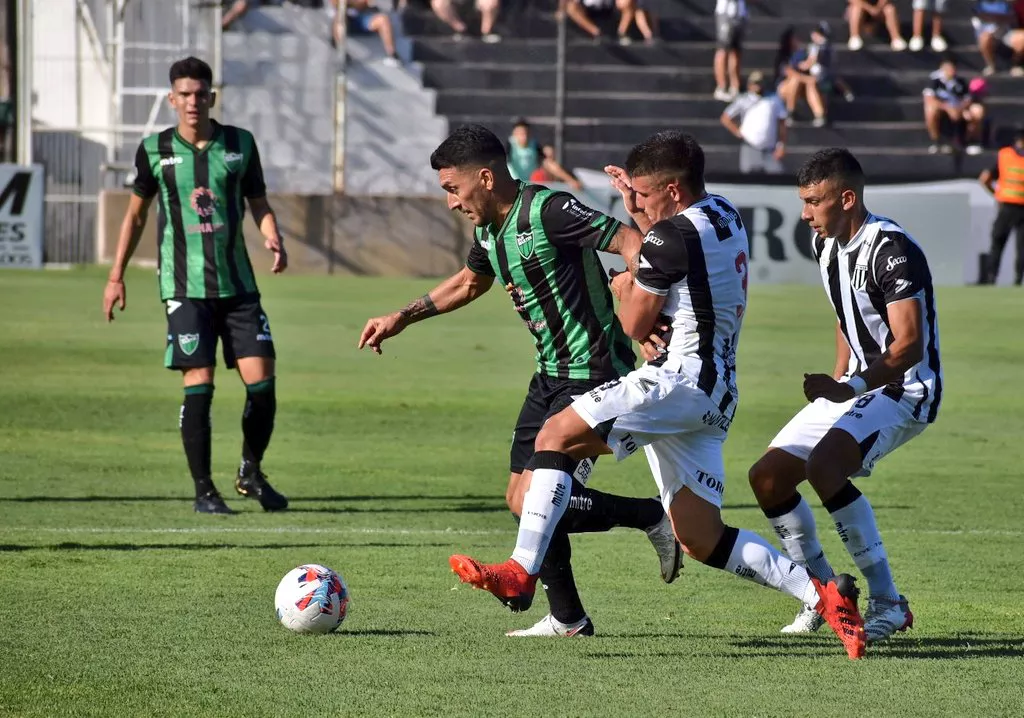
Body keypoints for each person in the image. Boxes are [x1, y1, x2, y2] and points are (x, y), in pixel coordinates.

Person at [447, 131, 867, 660]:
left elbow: (633, 323)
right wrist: (642, 228)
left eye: (642, 194)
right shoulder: (723, 213)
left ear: (671, 189)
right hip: (716, 393)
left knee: (557, 434)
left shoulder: (669, 238)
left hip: (677, 380)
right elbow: (670, 257)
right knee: (700, 535)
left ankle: (521, 572)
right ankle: (825, 597)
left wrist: (625, 286)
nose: (635, 202)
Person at [357, 124, 682, 637]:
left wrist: (639, 308)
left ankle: (650, 516)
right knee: (519, 500)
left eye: (453, 189)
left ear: (485, 178)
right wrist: (402, 316)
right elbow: (469, 282)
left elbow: (628, 240)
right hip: (547, 377)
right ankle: (569, 618)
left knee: (541, 497)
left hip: (594, 373)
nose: (450, 203)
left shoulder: (550, 210)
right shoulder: (488, 228)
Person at [747, 148, 943, 644]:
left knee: (825, 466)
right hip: (855, 387)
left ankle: (888, 602)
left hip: (906, 388)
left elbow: (908, 344)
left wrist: (848, 387)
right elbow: (845, 313)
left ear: (847, 197)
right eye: (803, 201)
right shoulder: (827, 245)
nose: (805, 213)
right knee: (767, 478)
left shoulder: (892, 248)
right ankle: (824, 593)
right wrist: (835, 389)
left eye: (814, 202)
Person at [102, 57, 289, 515]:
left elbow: (259, 202)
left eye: (200, 93)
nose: (192, 101)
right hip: (184, 289)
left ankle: (250, 470)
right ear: (172, 99)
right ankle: (204, 490)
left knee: (262, 384)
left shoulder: (239, 144)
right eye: (183, 94)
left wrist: (271, 233)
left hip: (239, 286)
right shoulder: (153, 150)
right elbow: (135, 215)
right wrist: (115, 276)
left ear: (212, 97)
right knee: (199, 383)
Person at [979, 126, 1024, 284]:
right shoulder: (1004, 155)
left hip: (1006, 206)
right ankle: (1017, 280)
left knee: (998, 242)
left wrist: (997, 193)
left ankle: (992, 277)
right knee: (1019, 247)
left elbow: (984, 179)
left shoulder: (1005, 155)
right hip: (1014, 208)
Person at [720, 70, 788, 175]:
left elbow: (782, 123)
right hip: (750, 145)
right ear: (750, 84)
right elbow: (725, 117)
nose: (758, 86)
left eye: (760, 83)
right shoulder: (743, 99)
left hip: (770, 149)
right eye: (755, 83)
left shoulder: (774, 99)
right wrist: (737, 131)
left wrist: (781, 145)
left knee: (777, 176)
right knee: (748, 178)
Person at [922, 57, 984, 155]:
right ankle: (937, 142)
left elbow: (968, 99)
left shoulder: (960, 82)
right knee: (930, 110)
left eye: (952, 68)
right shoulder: (934, 82)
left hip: (959, 109)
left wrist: (960, 109)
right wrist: (947, 108)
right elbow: (929, 99)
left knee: (977, 110)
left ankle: (971, 142)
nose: (950, 71)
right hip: (942, 110)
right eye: (947, 68)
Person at [506, 119, 582, 190]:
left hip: (528, 187)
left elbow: (549, 164)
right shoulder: (509, 145)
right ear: (514, 133)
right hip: (512, 186)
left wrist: (570, 180)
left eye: (526, 133)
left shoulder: (534, 146)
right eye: (520, 133)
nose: (524, 137)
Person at [328, 0, 401, 66]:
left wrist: (352, 3)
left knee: (383, 19)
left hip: (360, 18)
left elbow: (365, 3)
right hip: (343, 19)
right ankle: (341, 50)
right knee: (339, 17)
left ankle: (392, 55)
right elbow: (336, 3)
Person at [972, 0, 1024, 76]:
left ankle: (1016, 65)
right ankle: (991, 66)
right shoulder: (981, 4)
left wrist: (995, 18)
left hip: (1005, 32)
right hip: (988, 33)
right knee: (984, 38)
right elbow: (981, 16)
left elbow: (1012, 18)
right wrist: (998, 18)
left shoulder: (1005, 4)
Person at [713, 0, 747, 102]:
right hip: (726, 12)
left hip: (740, 13)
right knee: (723, 50)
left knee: (736, 52)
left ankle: (735, 87)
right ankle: (721, 86)